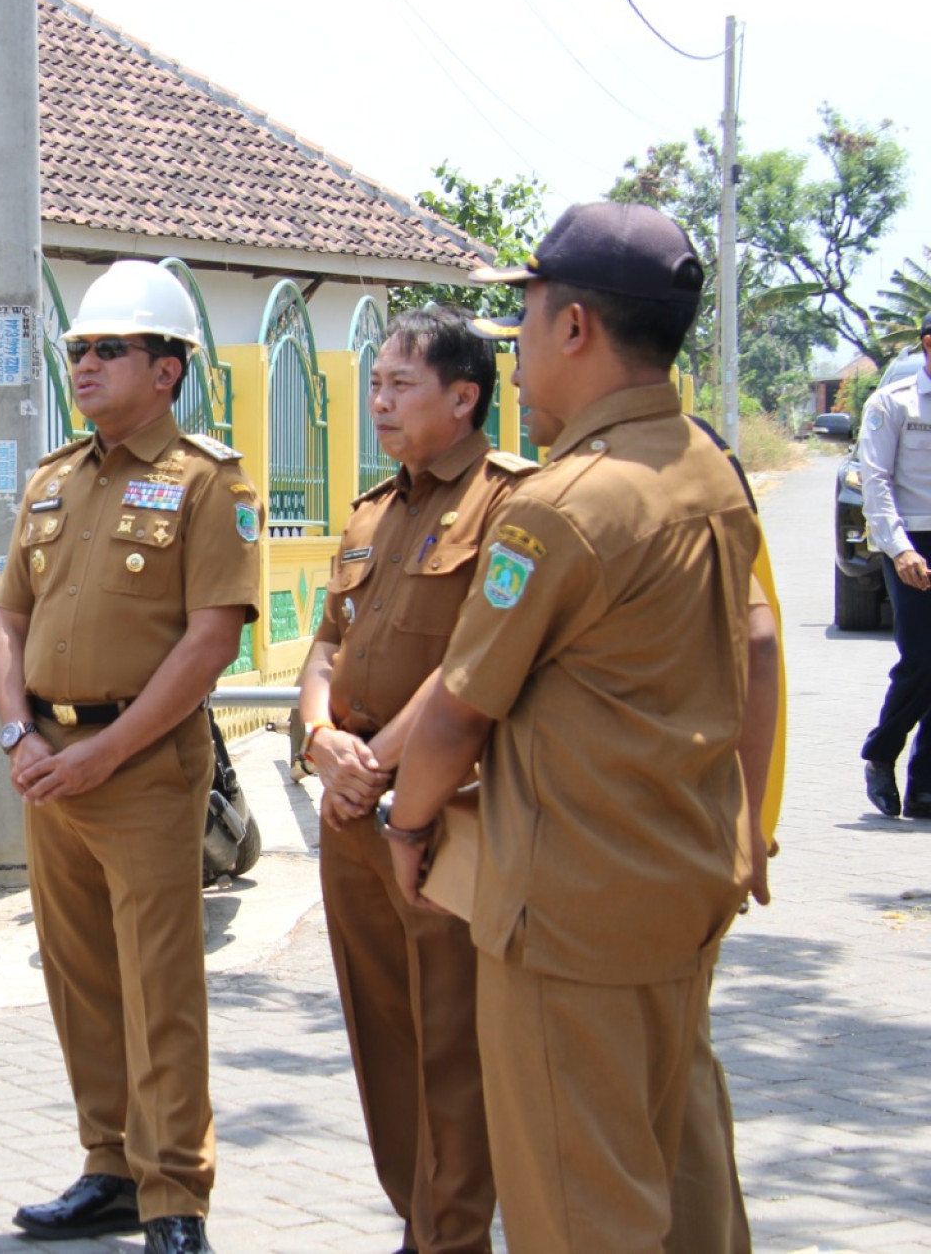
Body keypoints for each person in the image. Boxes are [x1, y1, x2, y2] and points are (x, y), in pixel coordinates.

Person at [379, 202, 778, 1251]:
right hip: (679, 883)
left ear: (574, 328)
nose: (511, 354)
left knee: (577, 1208)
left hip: (565, 917)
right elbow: (759, 645)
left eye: (524, 319)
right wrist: (744, 821)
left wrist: (405, 829)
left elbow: (456, 710)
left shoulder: (560, 507)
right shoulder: (707, 468)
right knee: (683, 1173)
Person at [0, 259, 261, 1254]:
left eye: (108, 349)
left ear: (167, 367)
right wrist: (21, 735)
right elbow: (3, 619)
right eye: (78, 350)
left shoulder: (204, 481)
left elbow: (208, 640)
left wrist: (104, 750)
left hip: (141, 767)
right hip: (49, 764)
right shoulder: (55, 477)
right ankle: (106, 1165)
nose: (85, 364)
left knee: (158, 985)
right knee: (79, 976)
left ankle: (173, 1192)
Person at [297, 304, 527, 1254]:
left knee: (450, 1037)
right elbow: (328, 640)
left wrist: (376, 760)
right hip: (351, 805)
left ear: (464, 399)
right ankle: (416, 1219)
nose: (379, 403)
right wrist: (319, 738)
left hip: (439, 811)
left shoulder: (514, 504)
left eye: (400, 386)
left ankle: (454, 1233)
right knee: (381, 1030)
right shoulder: (372, 509)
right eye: (375, 385)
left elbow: (475, 659)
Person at [856, 318, 931, 818]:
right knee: (923, 659)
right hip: (912, 540)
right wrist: (899, 548)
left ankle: (925, 783)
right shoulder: (894, 401)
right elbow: (876, 480)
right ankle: (881, 751)